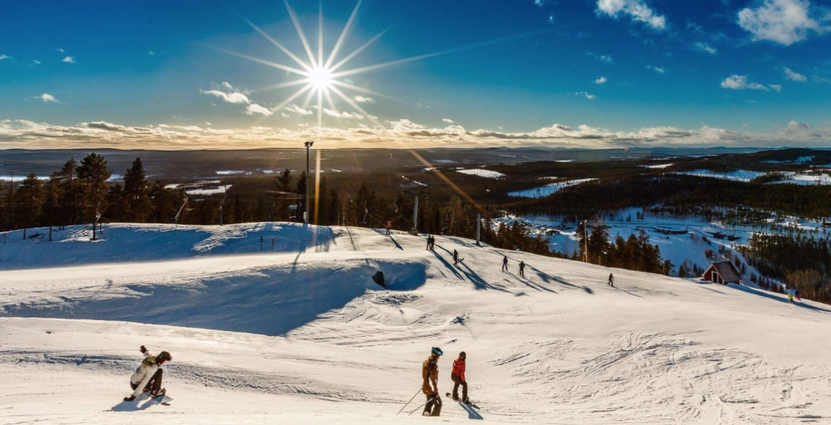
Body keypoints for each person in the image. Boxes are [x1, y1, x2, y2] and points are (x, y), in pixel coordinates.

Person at [422, 347, 443, 416]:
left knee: (429, 403)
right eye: (438, 355)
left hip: (427, 387)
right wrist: (435, 390)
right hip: (430, 389)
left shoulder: (426, 362)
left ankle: (424, 418)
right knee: (438, 404)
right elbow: (433, 380)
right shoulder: (431, 366)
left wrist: (425, 384)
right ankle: (434, 420)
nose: (439, 357)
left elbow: (426, 376)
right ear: (435, 355)